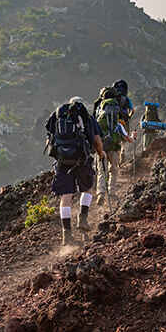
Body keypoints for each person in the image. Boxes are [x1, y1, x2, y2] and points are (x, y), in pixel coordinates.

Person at [46, 97, 106, 245]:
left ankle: (66, 235)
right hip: (82, 160)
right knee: (87, 189)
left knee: (65, 197)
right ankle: (83, 218)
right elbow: (97, 140)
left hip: (62, 162)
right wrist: (101, 153)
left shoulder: (57, 116)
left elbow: (49, 138)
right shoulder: (87, 118)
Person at [95, 87, 135, 205]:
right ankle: (111, 192)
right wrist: (132, 137)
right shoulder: (118, 116)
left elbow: (95, 131)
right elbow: (126, 137)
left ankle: (101, 193)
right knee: (114, 170)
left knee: (102, 171)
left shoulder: (99, 112)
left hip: (102, 147)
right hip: (115, 146)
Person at [113, 79, 134, 165]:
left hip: (115, 120)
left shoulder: (113, 98)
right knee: (124, 138)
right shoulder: (127, 99)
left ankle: (115, 155)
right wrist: (129, 116)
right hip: (124, 121)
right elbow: (132, 110)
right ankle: (123, 151)